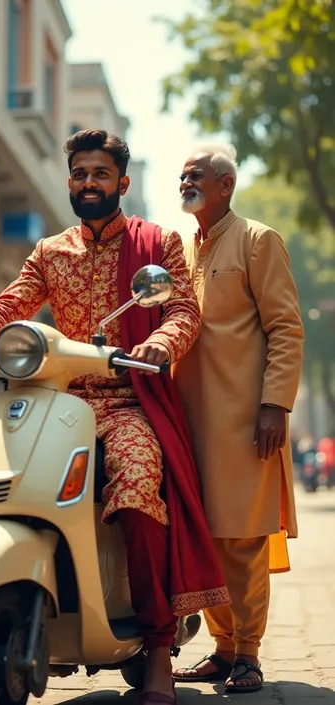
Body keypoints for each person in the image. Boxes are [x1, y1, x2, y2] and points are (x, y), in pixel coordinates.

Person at [0, 129, 230, 703]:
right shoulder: (50, 251)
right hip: (57, 400)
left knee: (137, 484)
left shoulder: (157, 243)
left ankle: (158, 648)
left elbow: (183, 307)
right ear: (70, 182)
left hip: (123, 402)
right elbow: (8, 305)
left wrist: (163, 340)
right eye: (81, 174)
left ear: (122, 183)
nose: (90, 183)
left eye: (101, 174)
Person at [172, 142, 304, 694]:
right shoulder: (180, 249)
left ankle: (248, 654)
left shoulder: (257, 240)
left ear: (225, 185)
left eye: (196, 175)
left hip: (246, 421)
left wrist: (275, 404)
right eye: (181, 176)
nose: (185, 182)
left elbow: (286, 327)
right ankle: (223, 651)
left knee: (243, 539)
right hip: (186, 420)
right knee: (205, 538)